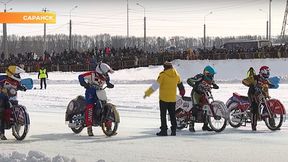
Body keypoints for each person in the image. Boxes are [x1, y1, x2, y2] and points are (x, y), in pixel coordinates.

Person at [144, 61, 185, 136]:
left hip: (163, 99)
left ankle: (164, 130)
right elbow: (180, 85)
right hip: (172, 98)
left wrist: (147, 93)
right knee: (172, 114)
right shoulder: (176, 75)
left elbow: (155, 86)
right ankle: (173, 130)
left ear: (165, 67)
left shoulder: (163, 75)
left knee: (163, 115)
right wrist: (182, 93)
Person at [78, 62, 114, 136]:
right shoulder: (92, 74)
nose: (107, 74)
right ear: (101, 71)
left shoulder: (106, 76)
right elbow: (80, 76)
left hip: (100, 91)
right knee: (90, 107)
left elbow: (107, 81)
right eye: (106, 72)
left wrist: (109, 84)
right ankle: (89, 128)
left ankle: (108, 127)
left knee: (105, 106)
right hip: (91, 91)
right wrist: (84, 84)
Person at [186, 65, 219, 132]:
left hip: (204, 94)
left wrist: (215, 86)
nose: (212, 77)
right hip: (196, 94)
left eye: (213, 75)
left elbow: (213, 83)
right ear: (206, 73)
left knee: (207, 108)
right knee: (196, 107)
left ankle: (205, 126)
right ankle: (191, 125)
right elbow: (189, 80)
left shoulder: (211, 80)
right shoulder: (200, 77)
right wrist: (194, 85)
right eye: (211, 75)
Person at [242, 66, 273, 131]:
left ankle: (272, 124)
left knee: (268, 106)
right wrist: (251, 85)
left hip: (261, 95)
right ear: (263, 71)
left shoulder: (265, 80)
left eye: (268, 71)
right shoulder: (255, 77)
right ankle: (253, 126)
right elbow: (244, 81)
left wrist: (272, 85)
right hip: (252, 94)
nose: (268, 73)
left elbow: (270, 84)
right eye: (267, 71)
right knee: (254, 107)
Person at [0, 65, 26, 140]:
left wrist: (22, 88)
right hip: (3, 100)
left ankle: (16, 131)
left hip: (13, 100)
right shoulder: (3, 79)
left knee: (18, 114)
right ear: (12, 74)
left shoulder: (16, 81)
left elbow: (18, 86)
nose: (18, 76)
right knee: (1, 114)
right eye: (17, 74)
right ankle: (1, 133)